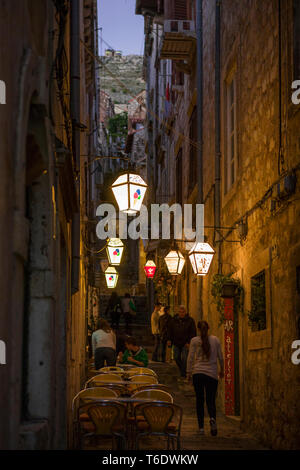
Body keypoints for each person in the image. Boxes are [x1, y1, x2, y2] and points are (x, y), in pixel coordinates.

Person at [186, 320, 224, 436]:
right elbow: (221, 357)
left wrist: (188, 373)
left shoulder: (194, 341)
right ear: (209, 328)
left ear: (198, 329)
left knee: (199, 400)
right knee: (211, 400)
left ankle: (201, 428)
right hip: (212, 374)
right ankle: (212, 419)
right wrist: (222, 370)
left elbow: (190, 358)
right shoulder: (216, 340)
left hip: (198, 373)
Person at [167, 305, 196, 380]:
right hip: (176, 342)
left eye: (183, 312)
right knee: (176, 357)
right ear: (178, 312)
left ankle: (183, 374)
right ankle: (183, 371)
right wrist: (169, 340)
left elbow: (193, 332)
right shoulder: (173, 320)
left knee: (185, 358)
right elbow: (170, 331)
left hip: (185, 343)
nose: (181, 313)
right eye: (180, 312)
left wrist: (189, 342)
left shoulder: (190, 320)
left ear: (185, 312)